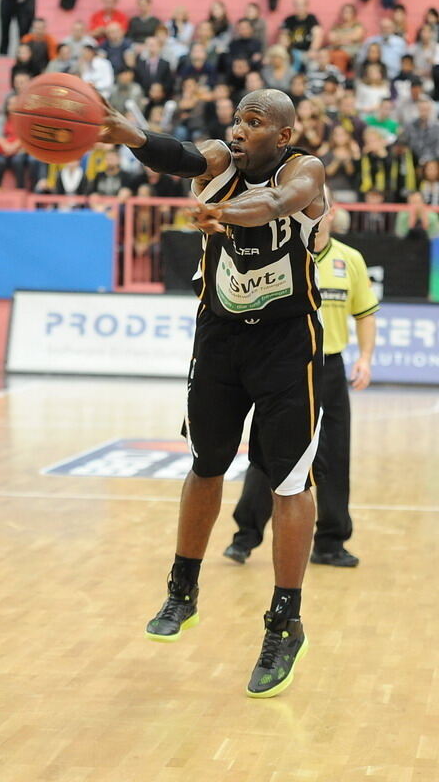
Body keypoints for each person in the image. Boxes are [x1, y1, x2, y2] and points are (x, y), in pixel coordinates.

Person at [102, 87, 327, 698]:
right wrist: (133, 137)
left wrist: (220, 216)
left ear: (280, 135)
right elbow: (182, 157)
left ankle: (285, 621)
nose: (238, 130)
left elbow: (279, 202)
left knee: (288, 479)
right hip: (222, 334)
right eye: (237, 120)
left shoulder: (304, 170)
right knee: (205, 464)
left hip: (287, 340)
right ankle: (182, 589)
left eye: (254, 124)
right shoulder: (220, 163)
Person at [224, 191, 379, 568]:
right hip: (285, 368)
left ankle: (330, 542)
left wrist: (366, 359)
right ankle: (245, 536)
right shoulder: (283, 253)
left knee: (334, 456)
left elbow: (366, 313)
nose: (313, 212)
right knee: (266, 453)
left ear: (331, 212)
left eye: (319, 206)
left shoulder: (350, 259)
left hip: (330, 370)